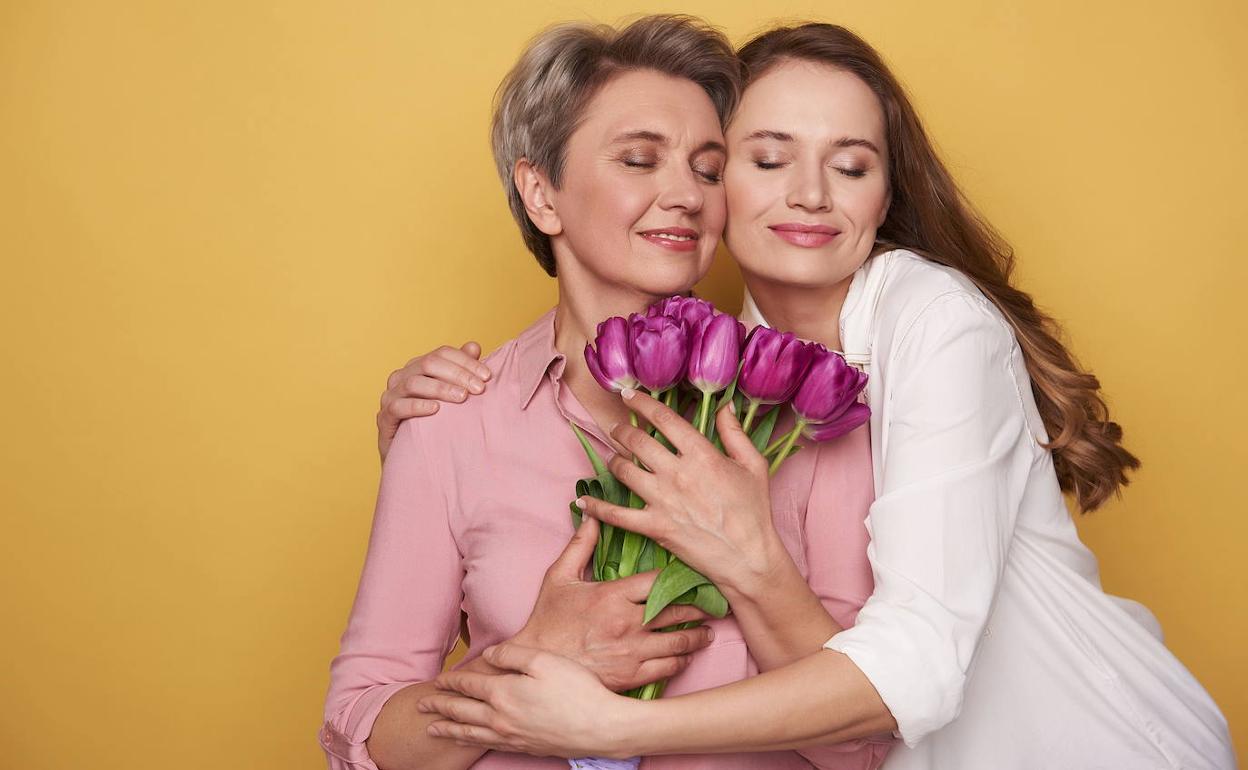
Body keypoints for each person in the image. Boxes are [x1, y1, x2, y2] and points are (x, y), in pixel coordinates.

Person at [389, 22, 1236, 770]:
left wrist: (612, 726)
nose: (811, 194)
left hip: (1095, 744)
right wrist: (422, 446)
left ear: (886, 194)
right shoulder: (727, 377)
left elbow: (914, 668)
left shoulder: (936, 322)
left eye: (852, 166)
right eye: (764, 159)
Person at [323, 15, 891, 770]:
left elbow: (866, 747)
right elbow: (361, 736)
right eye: (639, 160)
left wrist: (753, 560)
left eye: (708, 169)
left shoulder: (804, 410)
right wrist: (533, 657)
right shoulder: (450, 423)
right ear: (542, 194)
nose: (685, 195)